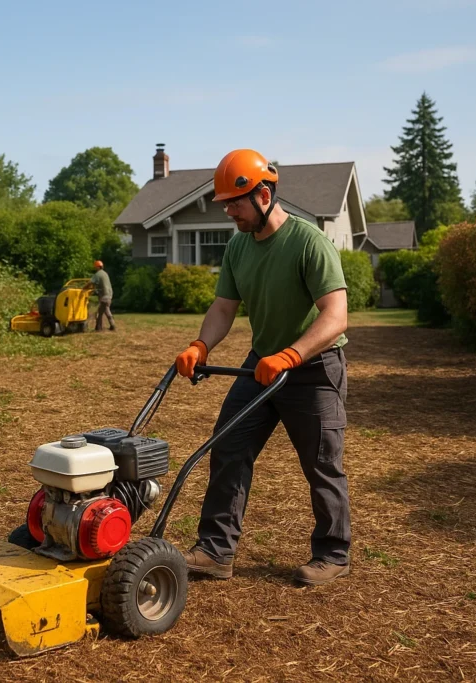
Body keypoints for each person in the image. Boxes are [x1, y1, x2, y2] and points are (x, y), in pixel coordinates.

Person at [174, 149, 351, 587]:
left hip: (312, 367)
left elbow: (335, 315)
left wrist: (293, 355)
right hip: (261, 365)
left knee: (321, 463)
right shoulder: (238, 246)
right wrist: (201, 344)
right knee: (230, 448)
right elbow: (223, 306)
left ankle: (333, 554)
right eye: (227, 204)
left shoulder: (310, 242)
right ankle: (216, 552)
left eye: (234, 203)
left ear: (265, 194)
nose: (229, 211)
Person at [90, 260, 115, 332]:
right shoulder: (105, 273)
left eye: (95, 267)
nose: (95, 268)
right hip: (109, 295)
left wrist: (84, 288)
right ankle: (112, 325)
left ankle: (98, 328)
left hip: (104, 297)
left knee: (99, 313)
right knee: (107, 311)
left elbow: (90, 282)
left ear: (97, 267)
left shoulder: (98, 274)